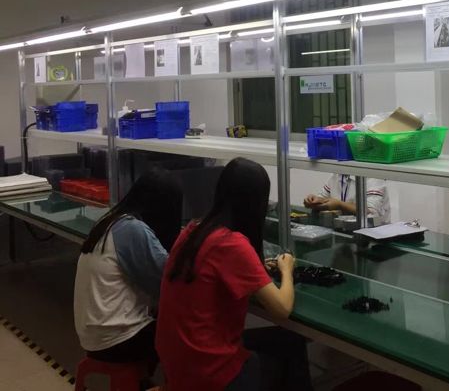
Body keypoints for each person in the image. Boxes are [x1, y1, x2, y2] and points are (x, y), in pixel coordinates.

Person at [156, 157, 311, 391]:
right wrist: (287, 269)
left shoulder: (193, 229)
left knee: (283, 342)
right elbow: (282, 308)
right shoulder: (232, 244)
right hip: (208, 370)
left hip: (176, 360)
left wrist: (254, 268)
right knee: (291, 344)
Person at [73, 170, 182, 371]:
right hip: (117, 340)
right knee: (185, 333)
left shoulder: (110, 220)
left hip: (93, 335)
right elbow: (167, 281)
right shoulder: (133, 229)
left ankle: (143, 380)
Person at [303, 174, 390, 224]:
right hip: (344, 229)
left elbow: (370, 212)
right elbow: (324, 197)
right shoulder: (337, 175)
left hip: (373, 234)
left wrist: (340, 205)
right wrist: (315, 201)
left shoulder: (373, 177)